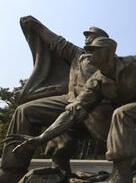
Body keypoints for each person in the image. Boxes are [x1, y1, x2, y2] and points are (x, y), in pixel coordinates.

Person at [0, 16, 111, 183]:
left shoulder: (111, 61)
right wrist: (36, 26)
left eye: (91, 35)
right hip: (70, 102)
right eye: (86, 36)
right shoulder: (78, 54)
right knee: (25, 111)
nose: (87, 38)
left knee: (123, 144)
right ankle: (12, 170)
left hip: (98, 108)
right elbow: (57, 42)